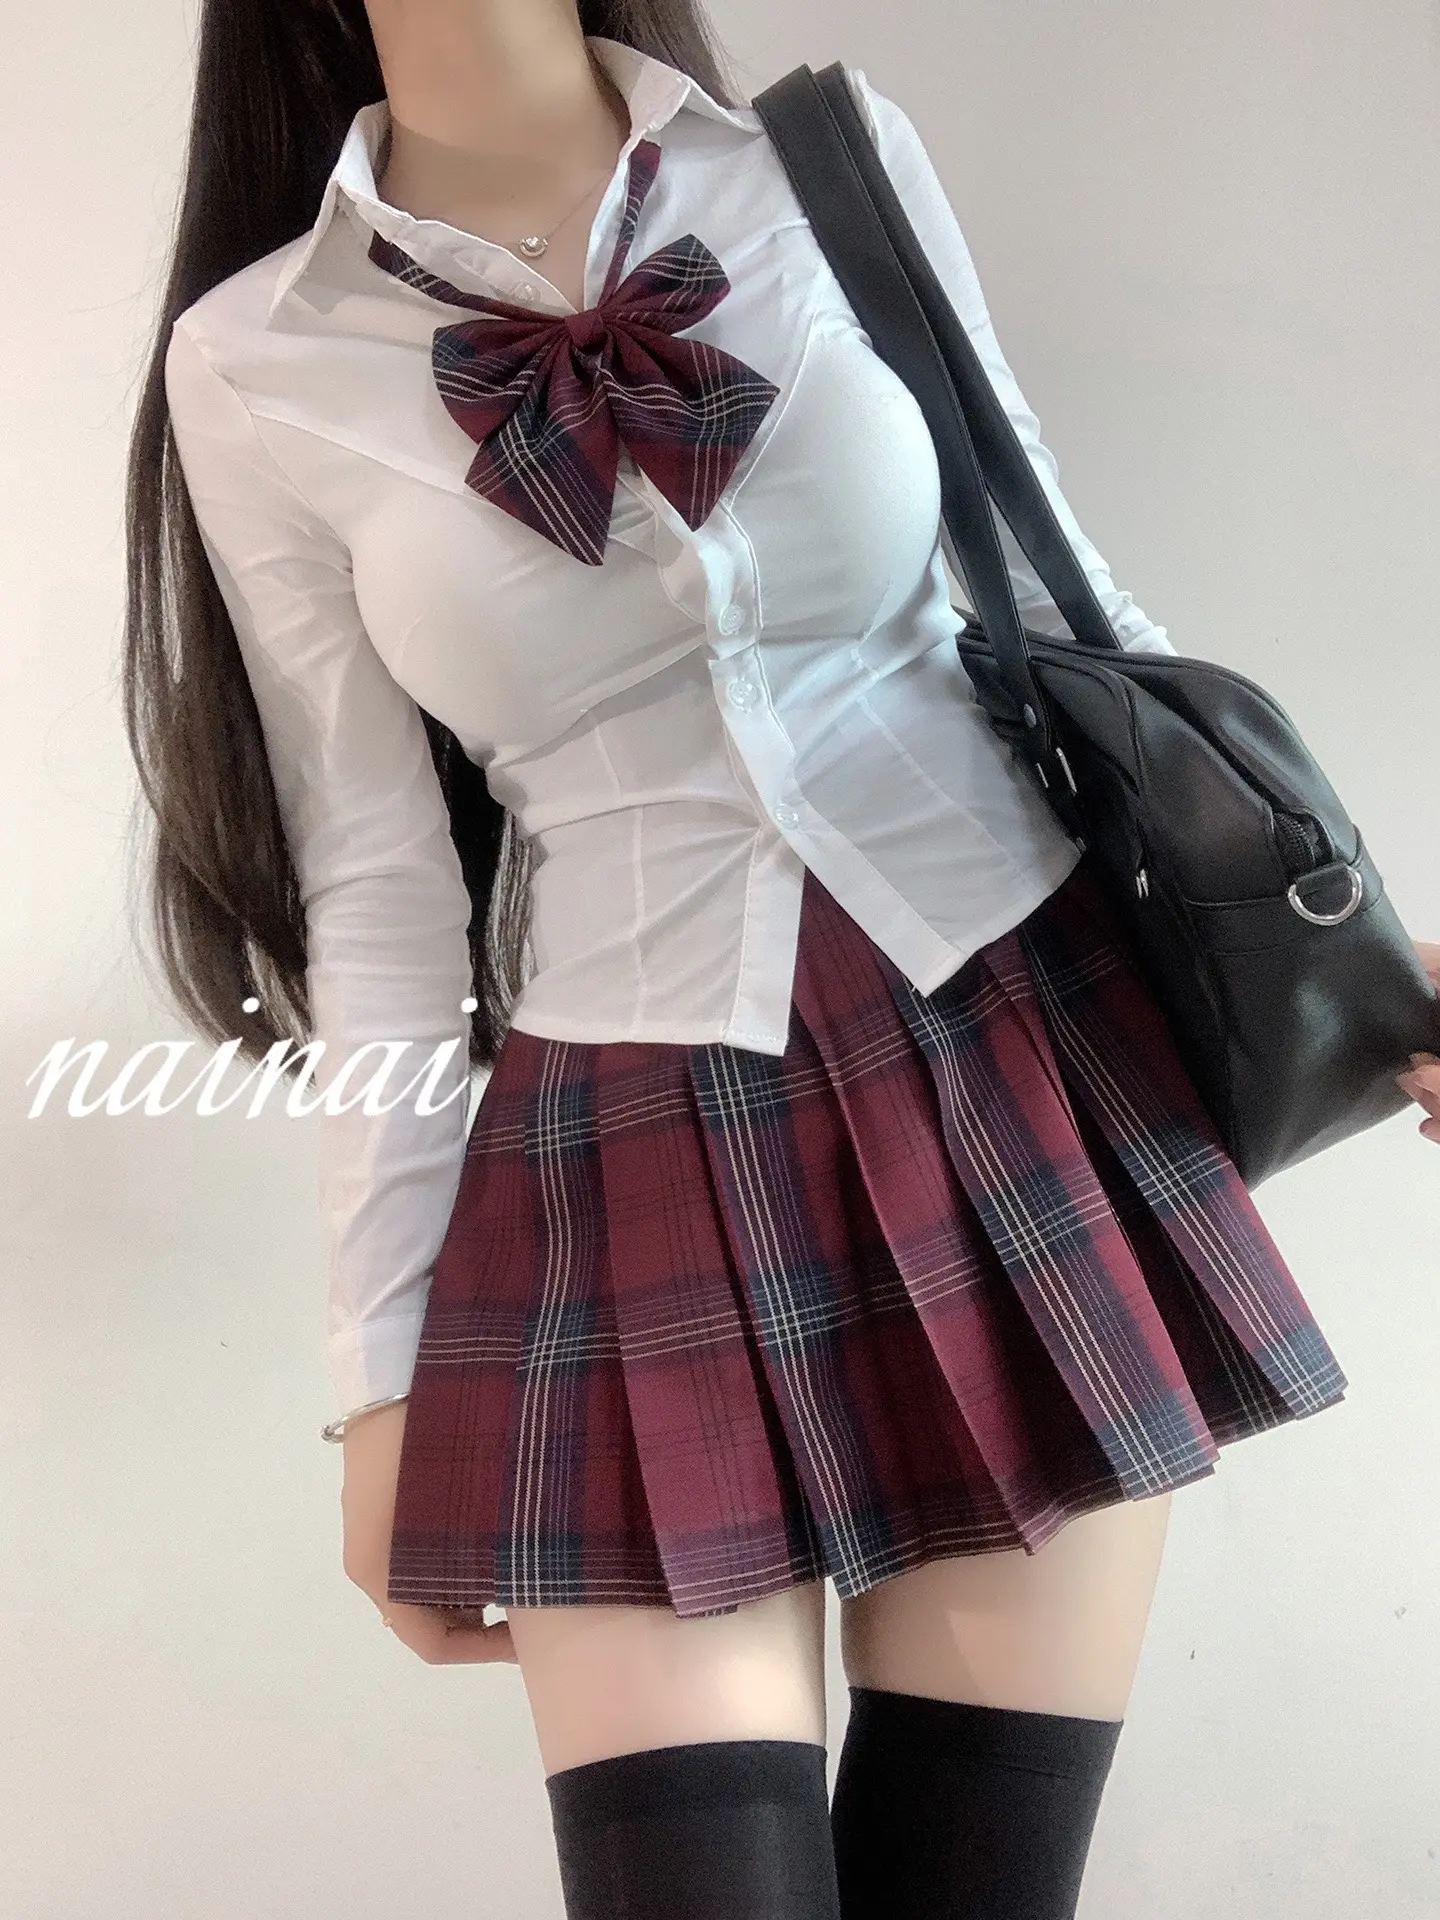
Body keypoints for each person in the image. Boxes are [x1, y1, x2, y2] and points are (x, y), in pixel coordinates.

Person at [124, 1, 1440, 1914]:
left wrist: (1358, 949)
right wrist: (379, 1377)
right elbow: (379, 886)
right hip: (616, 1146)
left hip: (1020, 1061)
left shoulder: (823, 165)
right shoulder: (256, 359)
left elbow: (1064, 584)